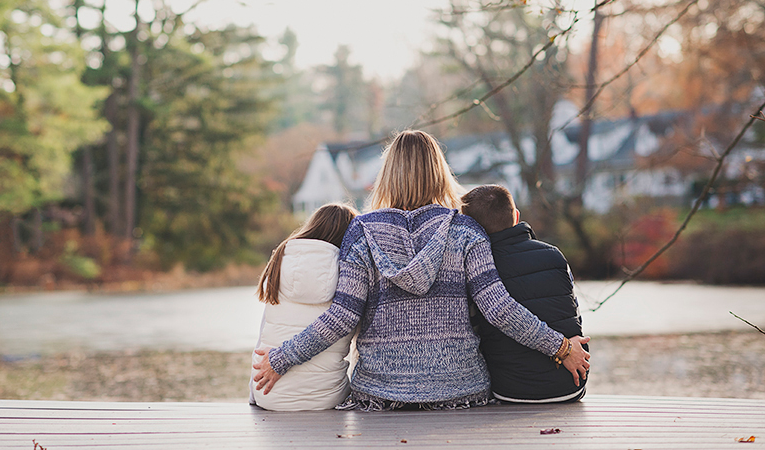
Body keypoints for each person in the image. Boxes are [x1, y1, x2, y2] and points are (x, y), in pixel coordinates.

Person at [253, 130, 589, 410]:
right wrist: (561, 347)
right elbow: (499, 309)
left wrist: (280, 358)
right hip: (460, 392)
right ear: (440, 171)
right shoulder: (465, 231)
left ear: (387, 174)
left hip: (380, 395)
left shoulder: (362, 233)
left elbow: (341, 317)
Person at [462, 184, 588, 403]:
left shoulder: (478, 269)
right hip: (571, 384)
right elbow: (573, 313)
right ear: (516, 215)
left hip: (510, 389)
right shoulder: (554, 255)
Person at [250, 203, 359, 411]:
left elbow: (262, 334)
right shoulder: (350, 274)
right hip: (328, 397)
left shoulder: (281, 258)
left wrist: (253, 395)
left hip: (267, 393)